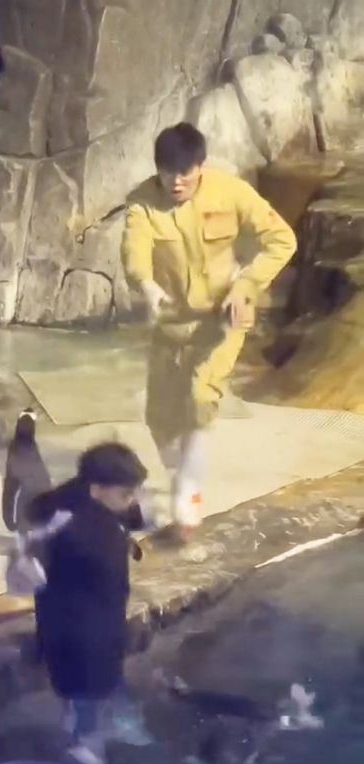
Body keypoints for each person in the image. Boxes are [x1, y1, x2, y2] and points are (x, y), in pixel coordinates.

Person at [121, 122, 297, 544]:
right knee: (160, 419)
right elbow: (134, 253)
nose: (176, 180)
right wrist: (146, 286)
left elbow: (281, 239)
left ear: (200, 166)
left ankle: (188, 494)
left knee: (201, 399)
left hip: (224, 318)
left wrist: (247, 285)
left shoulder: (231, 193)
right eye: (168, 171)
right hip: (171, 324)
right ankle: (182, 472)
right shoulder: (142, 203)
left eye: (185, 171)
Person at [29, 442, 152, 764]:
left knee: (98, 683)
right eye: (126, 494)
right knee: (87, 690)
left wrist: (126, 528)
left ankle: (87, 726)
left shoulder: (90, 502)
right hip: (76, 628)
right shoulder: (74, 528)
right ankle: (85, 752)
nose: (132, 500)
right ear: (96, 489)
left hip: (97, 616)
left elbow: (129, 518)